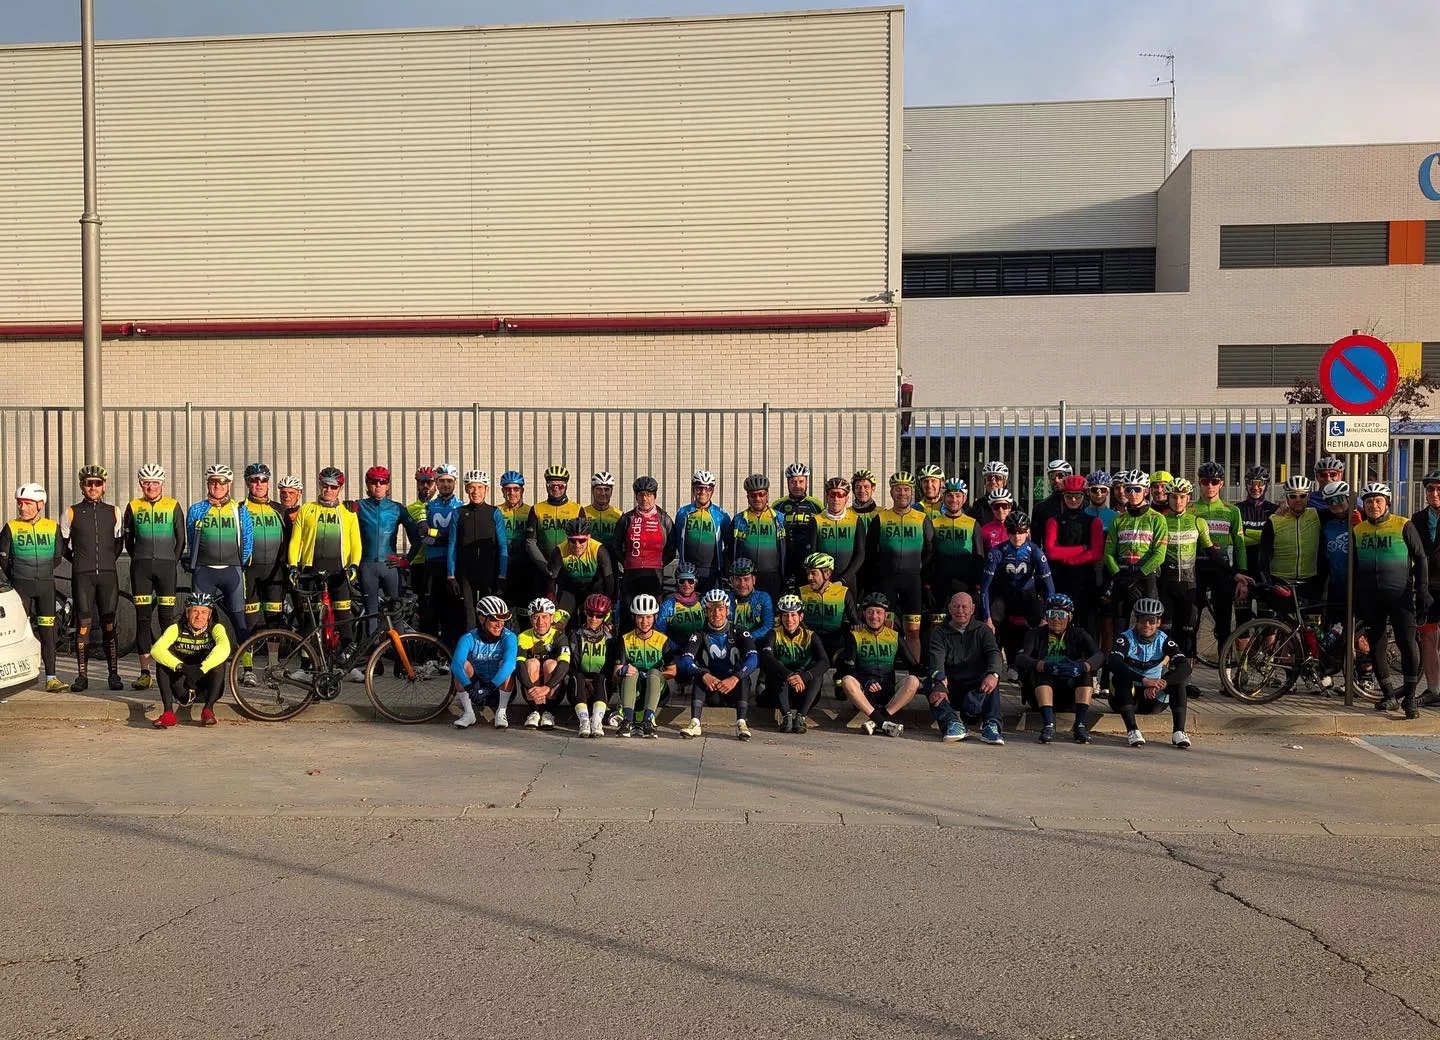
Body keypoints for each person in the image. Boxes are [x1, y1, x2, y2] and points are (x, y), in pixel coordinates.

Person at [1353, 482, 1427, 720]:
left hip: (1400, 596)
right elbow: (1354, 566)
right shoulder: (1359, 529)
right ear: (1363, 505)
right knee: (1376, 645)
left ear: (1387, 503)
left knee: (1407, 644)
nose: (1374, 505)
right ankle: (1389, 696)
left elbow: (1421, 558)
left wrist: (1422, 590)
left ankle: (1410, 699)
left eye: (1378, 501)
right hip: (1371, 597)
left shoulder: (1403, 525)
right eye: (1369, 502)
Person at [1159, 477, 1236, 698]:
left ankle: (1186, 679)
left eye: (1182, 497)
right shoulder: (1161, 520)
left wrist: (1235, 574)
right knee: (1165, 633)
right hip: (1167, 585)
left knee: (1188, 634)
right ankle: (1164, 677)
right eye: (1173, 497)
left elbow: (1213, 553)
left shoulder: (1197, 522)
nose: (1178, 501)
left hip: (1190, 585)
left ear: (1188, 499)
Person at [60, 465, 126, 691]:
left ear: (104, 486)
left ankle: (114, 675)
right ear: (82, 486)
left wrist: (106, 562)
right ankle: (82, 676)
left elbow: (119, 543)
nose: (93, 487)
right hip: (83, 577)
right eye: (89, 483)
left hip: (108, 576)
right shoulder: (71, 512)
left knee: (109, 624)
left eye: (98, 483)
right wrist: (79, 562)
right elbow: (63, 547)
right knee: (83, 627)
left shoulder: (114, 511)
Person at [286, 467, 361, 659]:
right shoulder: (307, 509)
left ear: (340, 488)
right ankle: (306, 664)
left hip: (339, 571)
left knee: (344, 617)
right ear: (320, 486)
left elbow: (355, 542)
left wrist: (354, 565)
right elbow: (296, 540)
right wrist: (293, 566)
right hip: (312, 570)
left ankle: (348, 663)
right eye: (325, 486)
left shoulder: (348, 511)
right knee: (310, 621)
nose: (328, 490)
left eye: (333, 487)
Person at [123, 463, 186, 690]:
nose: (151, 486)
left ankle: (168, 667)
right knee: (142, 620)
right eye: (147, 482)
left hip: (166, 568)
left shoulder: (173, 505)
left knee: (167, 621)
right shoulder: (133, 506)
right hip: (141, 568)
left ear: (162, 484)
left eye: (155, 482)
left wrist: (171, 561)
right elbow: (128, 541)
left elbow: (181, 539)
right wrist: (140, 558)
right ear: (141, 484)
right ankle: (144, 672)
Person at [0, 483, 67, 691]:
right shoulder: (11, 527)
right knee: (16, 633)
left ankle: (51, 678)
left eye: (27, 504)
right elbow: (2, 559)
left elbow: (57, 556)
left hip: (46, 587)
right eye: (19, 504)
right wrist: (17, 576)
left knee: (48, 634)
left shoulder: (52, 526)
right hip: (20, 587)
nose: (22, 508)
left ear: (40, 504)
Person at [1015, 593, 1104, 743]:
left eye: (1060, 615)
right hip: (1040, 695)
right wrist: (1041, 665)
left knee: (1086, 674)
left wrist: (1084, 666)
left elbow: (1099, 655)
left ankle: (1080, 726)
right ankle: (1048, 725)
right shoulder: (1035, 634)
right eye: (1051, 614)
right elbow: (1020, 658)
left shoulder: (1079, 633)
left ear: (1069, 617)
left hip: (1070, 693)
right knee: (1041, 672)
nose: (1055, 619)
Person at [836, 591, 924, 739]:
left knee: (913, 681)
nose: (874, 617)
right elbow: (849, 668)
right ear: (864, 614)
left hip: (889, 693)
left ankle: (877, 721)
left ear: (885, 615)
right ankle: (883, 723)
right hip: (864, 693)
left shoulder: (894, 636)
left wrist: (935, 673)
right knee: (847, 681)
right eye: (870, 612)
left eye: (879, 612)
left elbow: (913, 666)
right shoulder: (855, 636)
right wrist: (866, 681)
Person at [1107, 597, 1193, 748]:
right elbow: (1114, 663)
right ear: (1137, 620)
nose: (1147, 625)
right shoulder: (1125, 639)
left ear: (1158, 622)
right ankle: (1132, 730)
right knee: (1120, 679)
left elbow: (1185, 667)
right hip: (1126, 698)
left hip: (1152, 697)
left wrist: (1163, 682)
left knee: (1179, 682)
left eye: (1151, 620)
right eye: (1143, 620)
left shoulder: (1164, 640)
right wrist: (1144, 680)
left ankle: (1179, 732)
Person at [866, 471, 933, 661]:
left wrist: (922, 573)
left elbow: (930, 550)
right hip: (886, 580)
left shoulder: (921, 518)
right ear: (891, 492)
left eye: (906, 489)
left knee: (913, 630)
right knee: (885, 628)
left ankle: (914, 670)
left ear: (912, 493)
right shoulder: (881, 518)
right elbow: (870, 551)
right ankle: (885, 669)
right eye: (897, 489)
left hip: (912, 580)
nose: (902, 493)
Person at [678, 589, 760, 741]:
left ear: (727, 610)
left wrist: (735, 677)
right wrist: (704, 674)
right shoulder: (699, 634)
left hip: (735, 689)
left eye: (720, 609)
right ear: (706, 611)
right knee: (699, 675)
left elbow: (753, 658)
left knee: (744, 677)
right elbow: (685, 661)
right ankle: (695, 722)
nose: (716, 614)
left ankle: (741, 723)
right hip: (713, 690)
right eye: (711, 609)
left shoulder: (740, 631)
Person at [980, 511, 1055, 672]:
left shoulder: (1035, 552)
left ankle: (1036, 664)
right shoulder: (997, 552)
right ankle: (990, 666)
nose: (1017, 536)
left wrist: (1045, 617)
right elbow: (985, 587)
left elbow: (1050, 587)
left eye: (1021, 531)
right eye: (1013, 532)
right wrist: (987, 618)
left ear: (1027, 531)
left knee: (1040, 624)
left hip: (1027, 595)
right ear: (1007, 532)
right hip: (1004, 596)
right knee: (991, 623)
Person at [357, 464, 424, 644]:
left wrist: (406, 561)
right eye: (374, 482)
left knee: (396, 614)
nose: (378, 485)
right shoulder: (358, 506)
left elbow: (417, 538)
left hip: (390, 566)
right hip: (367, 565)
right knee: (370, 614)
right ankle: (373, 662)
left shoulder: (397, 508)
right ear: (368, 484)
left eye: (382, 482)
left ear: (388, 486)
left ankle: (402, 662)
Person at [927, 591, 1005, 744]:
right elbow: (936, 658)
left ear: (972, 609)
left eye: (964, 607)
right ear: (949, 609)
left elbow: (994, 654)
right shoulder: (939, 632)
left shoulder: (983, 630)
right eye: (956, 606)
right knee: (931, 684)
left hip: (977, 687)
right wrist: (939, 681)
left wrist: (994, 673)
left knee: (992, 679)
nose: (960, 610)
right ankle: (952, 723)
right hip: (951, 686)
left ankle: (992, 725)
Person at [148, 591, 232, 729]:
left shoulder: (216, 628)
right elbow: (156, 650)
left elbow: (225, 648)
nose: (199, 616)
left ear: (210, 614)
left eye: (204, 612)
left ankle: (208, 710)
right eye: (195, 612)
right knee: (162, 661)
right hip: (182, 686)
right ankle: (168, 713)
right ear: (187, 613)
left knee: (219, 661)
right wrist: (182, 667)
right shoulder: (176, 628)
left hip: (206, 687)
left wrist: (202, 668)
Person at [1191, 461, 1249, 652]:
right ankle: (1186, 676)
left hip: (1222, 570)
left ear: (1221, 483)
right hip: (1196, 569)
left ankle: (1227, 674)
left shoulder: (1231, 510)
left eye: (1214, 481)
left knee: (1224, 624)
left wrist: (1241, 574)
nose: (1209, 486)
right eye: (1205, 481)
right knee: (1192, 622)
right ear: (1199, 482)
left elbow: (1239, 544)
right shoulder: (1190, 510)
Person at [1042, 474, 1104, 638]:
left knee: (1088, 624)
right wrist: (1083, 548)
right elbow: (1050, 551)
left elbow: (1096, 553)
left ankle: (1090, 662)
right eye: (1069, 495)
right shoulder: (1053, 521)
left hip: (1086, 581)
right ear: (1063, 497)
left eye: (1077, 495)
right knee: (1058, 624)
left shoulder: (1094, 522)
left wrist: (1067, 557)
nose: (1073, 499)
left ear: (1084, 496)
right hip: (1061, 579)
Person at [610, 592, 678, 738]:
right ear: (634, 618)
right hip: (634, 691)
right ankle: (627, 721)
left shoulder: (662, 640)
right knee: (630, 672)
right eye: (640, 617)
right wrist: (623, 671)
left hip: (656, 690)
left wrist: (654, 675)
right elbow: (615, 675)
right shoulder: (625, 639)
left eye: (648, 617)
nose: (644, 621)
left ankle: (649, 721)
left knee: (654, 672)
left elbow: (673, 671)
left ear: (655, 617)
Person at [447, 470, 508, 633]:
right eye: (471, 488)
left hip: (489, 571)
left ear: (486, 489)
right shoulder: (458, 513)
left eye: (480, 487)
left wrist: (502, 575)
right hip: (465, 573)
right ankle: (470, 654)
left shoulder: (494, 512)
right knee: (469, 616)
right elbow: (452, 545)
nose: (476, 492)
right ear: (466, 490)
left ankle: (490, 650)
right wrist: (451, 575)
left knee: (491, 614)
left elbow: (503, 545)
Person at [1104, 471, 1168, 624]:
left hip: (1146, 577)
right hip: (1123, 575)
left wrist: (1140, 575)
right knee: (1119, 624)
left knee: (1149, 623)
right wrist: (1119, 576)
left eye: (1137, 489)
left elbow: (1160, 554)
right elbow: (1108, 553)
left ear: (1146, 491)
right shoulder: (1118, 520)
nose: (1132, 493)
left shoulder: (1157, 519)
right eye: (1128, 489)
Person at [760, 593, 829, 733]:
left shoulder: (810, 636)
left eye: (793, 615)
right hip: (779, 691)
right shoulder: (773, 634)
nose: (789, 620)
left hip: (803, 692)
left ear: (801, 617)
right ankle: (786, 717)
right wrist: (790, 674)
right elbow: (767, 657)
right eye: (785, 615)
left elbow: (825, 662)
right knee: (777, 668)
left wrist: (803, 677)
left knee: (817, 674)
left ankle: (801, 717)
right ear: (780, 617)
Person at [611, 476, 674, 629]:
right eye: (641, 495)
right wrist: (626, 561)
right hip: (631, 573)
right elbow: (615, 545)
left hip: (654, 574)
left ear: (655, 496)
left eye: (649, 494)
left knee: (653, 616)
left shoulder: (664, 518)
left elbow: (672, 548)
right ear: (636, 496)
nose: (645, 499)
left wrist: (659, 563)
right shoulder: (627, 518)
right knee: (628, 617)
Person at [451, 595, 519, 730]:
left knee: (505, 666)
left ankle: (501, 712)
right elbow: (456, 665)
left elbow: (510, 664)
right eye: (495, 619)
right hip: (476, 689)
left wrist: (488, 688)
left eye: (503, 619)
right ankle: (469, 713)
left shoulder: (509, 637)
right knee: (463, 666)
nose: (500, 624)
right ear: (482, 618)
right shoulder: (468, 638)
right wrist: (470, 688)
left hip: (498, 688)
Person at [240, 462, 289, 634]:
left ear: (268, 483)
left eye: (263, 480)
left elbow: (291, 538)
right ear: (247, 483)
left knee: (274, 622)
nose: (259, 484)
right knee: (250, 622)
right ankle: (247, 662)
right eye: (254, 480)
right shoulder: (240, 509)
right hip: (250, 571)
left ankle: (274, 662)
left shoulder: (279, 509)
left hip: (275, 572)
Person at [1258, 475, 1322, 601]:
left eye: (1302, 495)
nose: (1298, 499)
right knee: (1282, 620)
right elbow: (1263, 556)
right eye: (1293, 496)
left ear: (1308, 496)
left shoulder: (1317, 516)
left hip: (1310, 583)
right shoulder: (1274, 520)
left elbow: (1340, 512)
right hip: (1281, 583)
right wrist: (1269, 583)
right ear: (1286, 497)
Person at [928, 478, 982, 628]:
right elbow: (928, 555)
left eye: (958, 496)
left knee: (964, 625)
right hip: (940, 583)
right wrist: (927, 584)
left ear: (964, 498)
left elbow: (979, 556)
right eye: (950, 496)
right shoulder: (933, 523)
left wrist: (977, 586)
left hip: (965, 583)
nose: (954, 499)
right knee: (938, 627)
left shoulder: (972, 523)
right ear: (944, 498)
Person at [525, 466, 582, 601]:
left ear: (566, 487)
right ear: (546, 487)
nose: (556, 489)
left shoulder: (577, 509)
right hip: (542, 568)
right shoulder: (537, 509)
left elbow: (583, 542)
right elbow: (530, 542)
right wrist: (545, 567)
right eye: (551, 486)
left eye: (560, 486)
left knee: (568, 608)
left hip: (569, 568)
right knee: (542, 609)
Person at [421, 464, 464, 641]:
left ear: (455, 483)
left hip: (453, 564)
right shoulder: (429, 506)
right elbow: (422, 536)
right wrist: (440, 537)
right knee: (431, 609)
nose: (446, 485)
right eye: (442, 481)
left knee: (453, 610)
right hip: (432, 562)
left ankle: (449, 649)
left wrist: (435, 534)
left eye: (449, 481)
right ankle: (430, 649)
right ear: (436, 484)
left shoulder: (461, 507)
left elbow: (459, 538)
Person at [515, 597, 571, 730]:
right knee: (532, 663)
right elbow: (519, 666)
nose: (540, 622)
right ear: (530, 619)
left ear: (552, 618)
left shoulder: (559, 636)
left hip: (552, 690)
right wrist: (531, 689)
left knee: (550, 664)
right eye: (536, 617)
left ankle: (548, 712)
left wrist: (547, 687)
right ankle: (534, 711)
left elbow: (564, 664)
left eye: (545, 617)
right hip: (531, 691)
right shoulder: (524, 636)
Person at [670, 469, 730, 593]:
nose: (703, 492)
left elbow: (729, 544)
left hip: (712, 572)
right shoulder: (683, 513)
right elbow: (676, 540)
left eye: (707, 488)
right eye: (699, 488)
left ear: (712, 490)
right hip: (687, 572)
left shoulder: (721, 515)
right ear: (693, 489)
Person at [547, 516, 614, 624]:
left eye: (582, 540)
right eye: (572, 541)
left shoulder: (598, 549)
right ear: (567, 538)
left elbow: (609, 579)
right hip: (569, 590)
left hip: (593, 590)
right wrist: (552, 602)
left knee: (593, 621)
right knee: (561, 622)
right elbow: (551, 580)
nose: (577, 545)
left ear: (589, 537)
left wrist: (608, 603)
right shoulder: (559, 551)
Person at [732, 474, 785, 604]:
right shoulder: (739, 519)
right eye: (753, 495)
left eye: (761, 494)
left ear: (767, 495)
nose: (757, 498)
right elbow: (730, 550)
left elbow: (786, 550)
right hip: (746, 578)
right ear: (747, 497)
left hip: (772, 577)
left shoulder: (779, 518)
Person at [1411, 471, 1440, 706]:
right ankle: (1433, 689)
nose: (1434, 493)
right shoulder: (1418, 518)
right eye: (1430, 489)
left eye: (1439, 489)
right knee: (1428, 637)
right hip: (1427, 586)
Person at [570, 593, 614, 737]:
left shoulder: (610, 639)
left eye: (599, 615)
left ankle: (596, 720)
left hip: (601, 686)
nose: (594, 619)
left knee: (602, 678)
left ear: (606, 616)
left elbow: (611, 667)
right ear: (585, 613)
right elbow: (571, 664)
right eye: (590, 614)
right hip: (579, 686)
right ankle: (584, 721)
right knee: (577, 676)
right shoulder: (575, 635)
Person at [798, 551, 855, 663]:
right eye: (808, 573)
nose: (809, 577)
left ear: (827, 574)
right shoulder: (801, 592)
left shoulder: (843, 592)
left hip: (836, 642)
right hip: (810, 642)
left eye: (814, 573)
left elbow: (854, 620)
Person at [775, 463, 823, 588]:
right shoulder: (778, 505)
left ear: (807, 482)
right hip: (785, 557)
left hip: (808, 557)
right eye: (793, 482)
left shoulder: (816, 505)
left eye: (801, 481)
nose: (797, 486)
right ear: (788, 483)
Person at [813, 476, 867, 588]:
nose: (836, 499)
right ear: (827, 497)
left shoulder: (856, 520)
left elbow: (860, 553)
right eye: (832, 495)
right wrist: (821, 577)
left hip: (848, 580)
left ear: (846, 498)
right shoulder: (816, 520)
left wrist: (845, 578)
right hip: (822, 580)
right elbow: (812, 553)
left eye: (840, 495)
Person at [1317, 480, 1355, 629]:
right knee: (1334, 629)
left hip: (1356, 584)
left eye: (1339, 499)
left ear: (1348, 498)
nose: (1335, 504)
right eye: (1330, 501)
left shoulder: (1361, 518)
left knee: (1358, 632)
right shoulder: (1327, 524)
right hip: (1334, 585)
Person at [497, 471, 534, 614]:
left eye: (516, 489)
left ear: (522, 490)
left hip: (524, 565)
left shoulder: (531, 511)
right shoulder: (497, 511)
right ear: (502, 491)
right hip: (502, 566)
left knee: (525, 608)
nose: (512, 493)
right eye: (508, 489)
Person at [407, 466, 439, 623]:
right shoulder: (410, 508)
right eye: (421, 482)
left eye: (429, 482)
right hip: (418, 563)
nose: (425, 486)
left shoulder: (442, 507)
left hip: (439, 560)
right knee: (423, 607)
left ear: (436, 484)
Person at [726, 558, 774, 646]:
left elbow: (768, 626)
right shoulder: (725, 599)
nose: (742, 584)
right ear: (732, 581)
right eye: (738, 579)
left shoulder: (763, 597)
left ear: (754, 580)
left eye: (746, 579)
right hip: (732, 643)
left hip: (756, 643)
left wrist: (748, 638)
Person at [657, 563, 706, 642]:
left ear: (695, 583)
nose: (686, 584)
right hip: (676, 652)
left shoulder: (702, 602)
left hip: (698, 649)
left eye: (690, 581)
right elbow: (659, 632)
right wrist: (672, 647)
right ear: (677, 583)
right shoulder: (668, 606)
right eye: (682, 581)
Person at [581, 472, 622, 549]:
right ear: (592, 490)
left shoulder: (619, 515)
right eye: (599, 489)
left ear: (611, 491)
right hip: (589, 559)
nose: (603, 493)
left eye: (606, 489)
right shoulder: (582, 512)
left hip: (612, 559)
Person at [1031, 459, 1072, 532]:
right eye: (1052, 476)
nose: (1056, 480)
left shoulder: (1081, 505)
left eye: (1060, 476)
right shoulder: (1040, 508)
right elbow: (1035, 539)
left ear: (1069, 476)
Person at [977, 488, 1013, 553]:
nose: (1000, 510)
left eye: (1004, 506)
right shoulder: (984, 530)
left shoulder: (1019, 530)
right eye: (996, 506)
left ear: (1009, 508)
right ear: (992, 508)